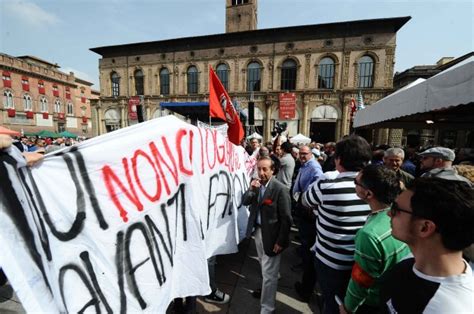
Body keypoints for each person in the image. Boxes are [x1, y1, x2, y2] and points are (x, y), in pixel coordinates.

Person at [381, 178, 474, 313]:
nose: (389, 213)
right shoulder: (409, 262)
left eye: (396, 209)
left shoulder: (450, 309)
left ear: (424, 227)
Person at [302, 135, 372, 314]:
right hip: (362, 258)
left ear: (339, 159)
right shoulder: (375, 185)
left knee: (332, 302)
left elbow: (306, 200)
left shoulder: (328, 182)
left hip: (332, 260)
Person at [339, 165, 411, 314]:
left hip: (371, 302)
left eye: (355, 182)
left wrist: (347, 307)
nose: (354, 185)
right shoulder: (403, 217)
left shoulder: (369, 235)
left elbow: (360, 282)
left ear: (368, 193)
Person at [243, 157, 292, 314]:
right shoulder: (257, 186)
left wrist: (281, 241)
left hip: (272, 236)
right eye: (259, 169)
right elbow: (245, 202)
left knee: (270, 275)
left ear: (273, 170)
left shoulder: (280, 189)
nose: (261, 172)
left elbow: (286, 219)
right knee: (265, 270)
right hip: (258, 232)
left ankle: (267, 308)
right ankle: (265, 294)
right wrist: (251, 189)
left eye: (265, 169)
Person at [292, 145, 324, 302]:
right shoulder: (305, 166)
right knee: (304, 240)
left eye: (305, 154)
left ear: (311, 154)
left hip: (308, 209)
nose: (302, 156)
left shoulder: (314, 167)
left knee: (307, 240)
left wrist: (307, 197)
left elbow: (318, 183)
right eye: (300, 154)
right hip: (302, 205)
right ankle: (304, 262)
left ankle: (306, 267)